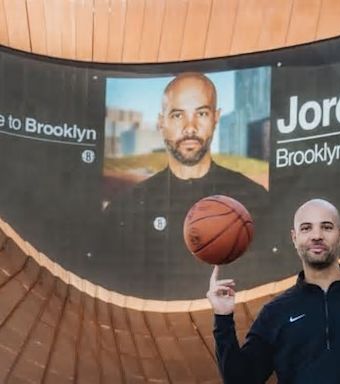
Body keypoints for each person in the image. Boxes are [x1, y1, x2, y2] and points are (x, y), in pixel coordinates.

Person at [97, 72, 269, 299]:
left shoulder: (255, 198)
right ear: (161, 122)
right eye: (178, 115)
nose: (190, 127)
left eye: (202, 113)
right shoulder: (123, 209)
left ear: (216, 118)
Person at [208, 199, 340, 384]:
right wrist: (223, 318)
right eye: (306, 228)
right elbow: (241, 379)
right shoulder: (276, 312)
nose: (317, 236)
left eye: (326, 227)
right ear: (294, 237)